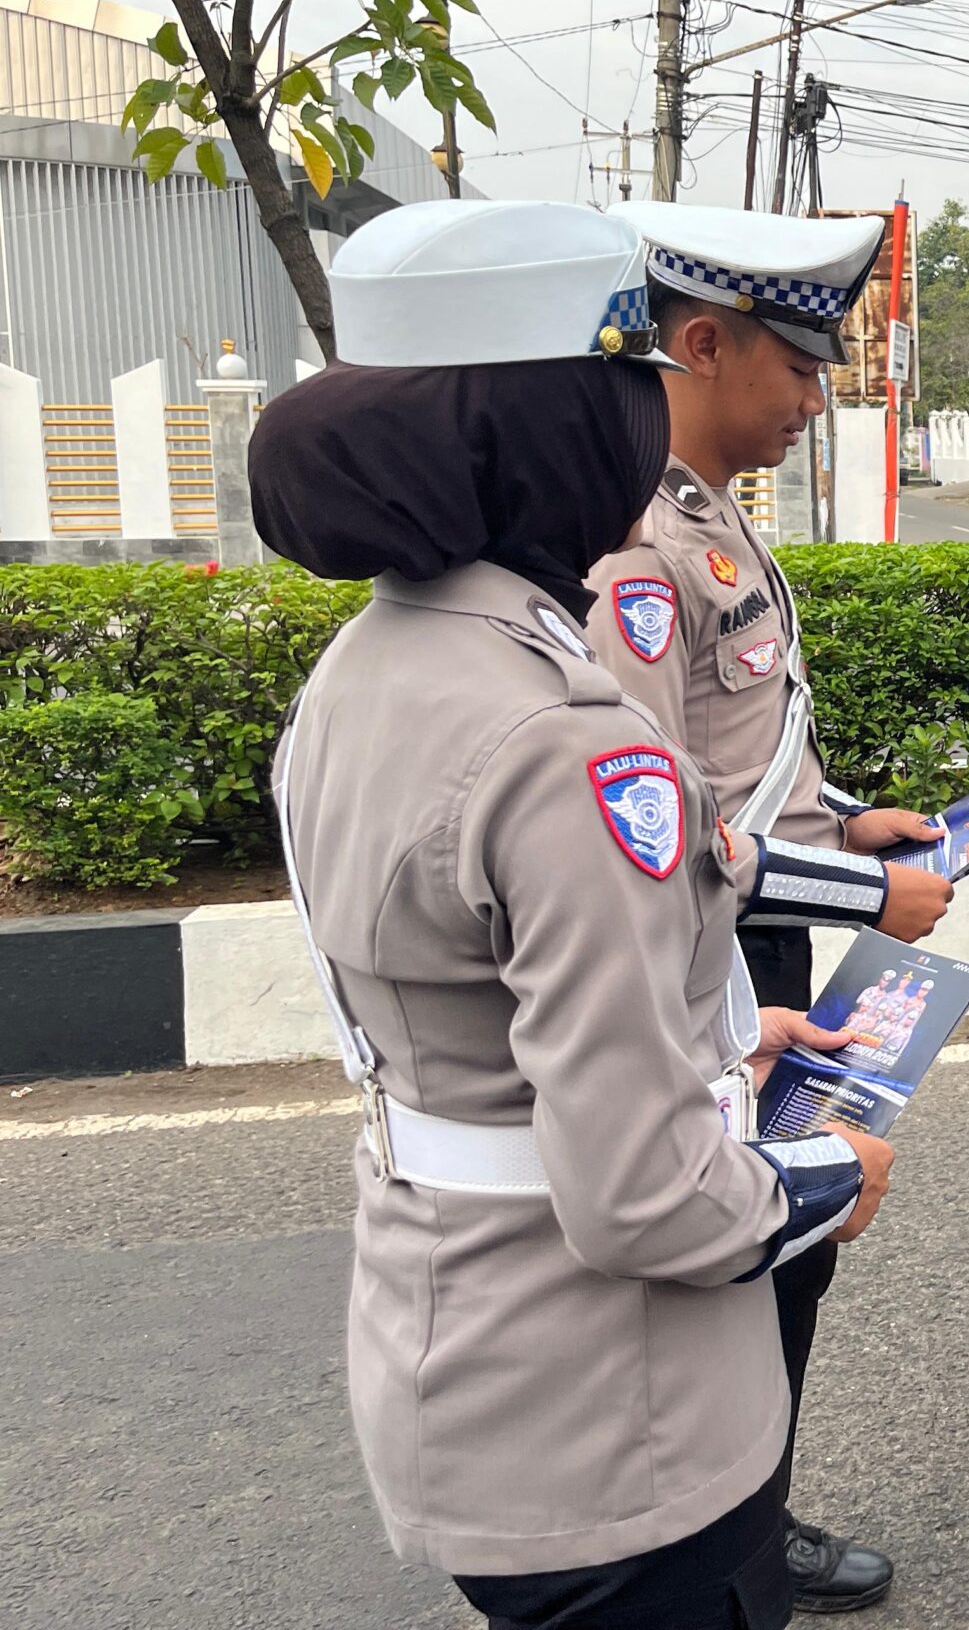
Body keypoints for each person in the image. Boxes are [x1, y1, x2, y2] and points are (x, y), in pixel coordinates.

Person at [249, 199, 913, 1630]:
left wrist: (724, 1066)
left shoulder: (366, 669)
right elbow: (646, 1199)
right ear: (558, 424)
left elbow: (490, 1031)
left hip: (458, 1350)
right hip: (622, 1412)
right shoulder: (561, 735)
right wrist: (817, 1175)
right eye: (624, 393)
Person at [583, 202, 955, 1615]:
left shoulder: (709, 507)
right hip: (704, 959)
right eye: (799, 369)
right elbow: (656, 833)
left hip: (772, 922)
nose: (817, 398)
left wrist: (847, 816)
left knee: (788, 1245)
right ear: (698, 344)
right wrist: (867, 883)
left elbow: (742, 752)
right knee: (728, 1247)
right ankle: (712, 1533)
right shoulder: (634, 545)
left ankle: (756, 1508)